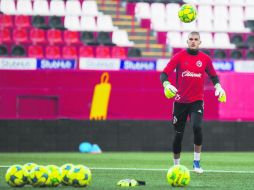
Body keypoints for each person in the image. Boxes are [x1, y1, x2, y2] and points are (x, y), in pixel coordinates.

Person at [160, 31, 226, 173]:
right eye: (191, 39)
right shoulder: (179, 57)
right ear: (187, 41)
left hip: (196, 101)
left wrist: (218, 87)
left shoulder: (205, 59)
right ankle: (176, 165)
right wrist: (166, 84)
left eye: (196, 39)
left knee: (197, 127)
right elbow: (164, 74)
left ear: (200, 42)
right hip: (180, 102)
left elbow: (214, 76)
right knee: (178, 134)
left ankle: (196, 162)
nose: (193, 41)